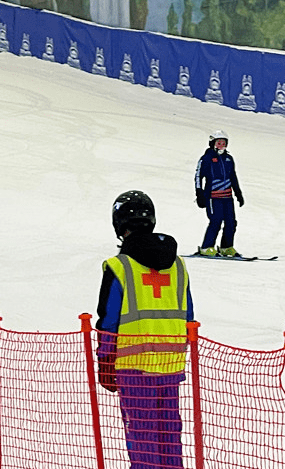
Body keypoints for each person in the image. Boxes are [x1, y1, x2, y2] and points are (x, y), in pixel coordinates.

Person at [96, 190, 195, 469]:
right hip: (171, 365)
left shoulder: (119, 266)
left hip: (133, 367)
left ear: (119, 224)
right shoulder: (177, 264)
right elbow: (188, 315)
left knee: (142, 435)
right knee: (169, 433)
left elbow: (109, 321)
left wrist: (105, 360)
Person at [194, 130, 245, 257]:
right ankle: (206, 247)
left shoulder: (228, 159)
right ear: (212, 143)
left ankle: (226, 247)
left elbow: (233, 177)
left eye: (224, 143)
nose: (221, 145)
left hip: (227, 197)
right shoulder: (207, 158)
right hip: (213, 197)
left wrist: (238, 193)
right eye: (218, 143)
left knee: (231, 222)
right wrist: (199, 193)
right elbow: (198, 176)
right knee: (216, 221)